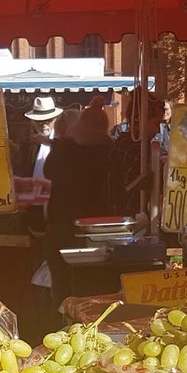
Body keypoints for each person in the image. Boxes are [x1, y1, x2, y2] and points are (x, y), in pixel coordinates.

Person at [42, 97, 116, 304]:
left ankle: (62, 322)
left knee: (63, 285)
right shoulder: (111, 150)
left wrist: (61, 141)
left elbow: (49, 172)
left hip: (64, 226)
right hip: (99, 228)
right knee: (92, 289)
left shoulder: (66, 151)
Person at [105, 87, 164, 216]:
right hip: (128, 215)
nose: (158, 131)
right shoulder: (135, 148)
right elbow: (134, 189)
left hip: (120, 212)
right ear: (140, 120)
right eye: (156, 123)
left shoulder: (123, 142)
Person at [14, 96, 62, 181]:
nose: (43, 125)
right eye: (39, 122)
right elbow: (22, 169)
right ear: (33, 122)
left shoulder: (62, 140)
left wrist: (49, 142)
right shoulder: (29, 144)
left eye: (48, 121)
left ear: (56, 120)